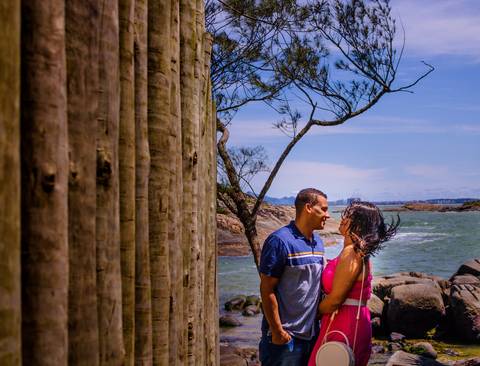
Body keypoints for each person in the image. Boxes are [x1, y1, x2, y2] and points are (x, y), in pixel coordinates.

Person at [308, 201, 399, 366]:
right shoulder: (356, 251)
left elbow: (335, 300)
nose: (342, 219)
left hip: (344, 321)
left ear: (359, 225)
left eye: (348, 217)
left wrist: (310, 316)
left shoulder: (352, 253)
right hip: (350, 319)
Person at [259, 188, 330, 366]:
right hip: (286, 339)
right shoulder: (280, 241)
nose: (327, 215)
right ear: (308, 208)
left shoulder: (318, 242)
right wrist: (277, 332)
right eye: (323, 209)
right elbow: (266, 289)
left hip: (311, 335)